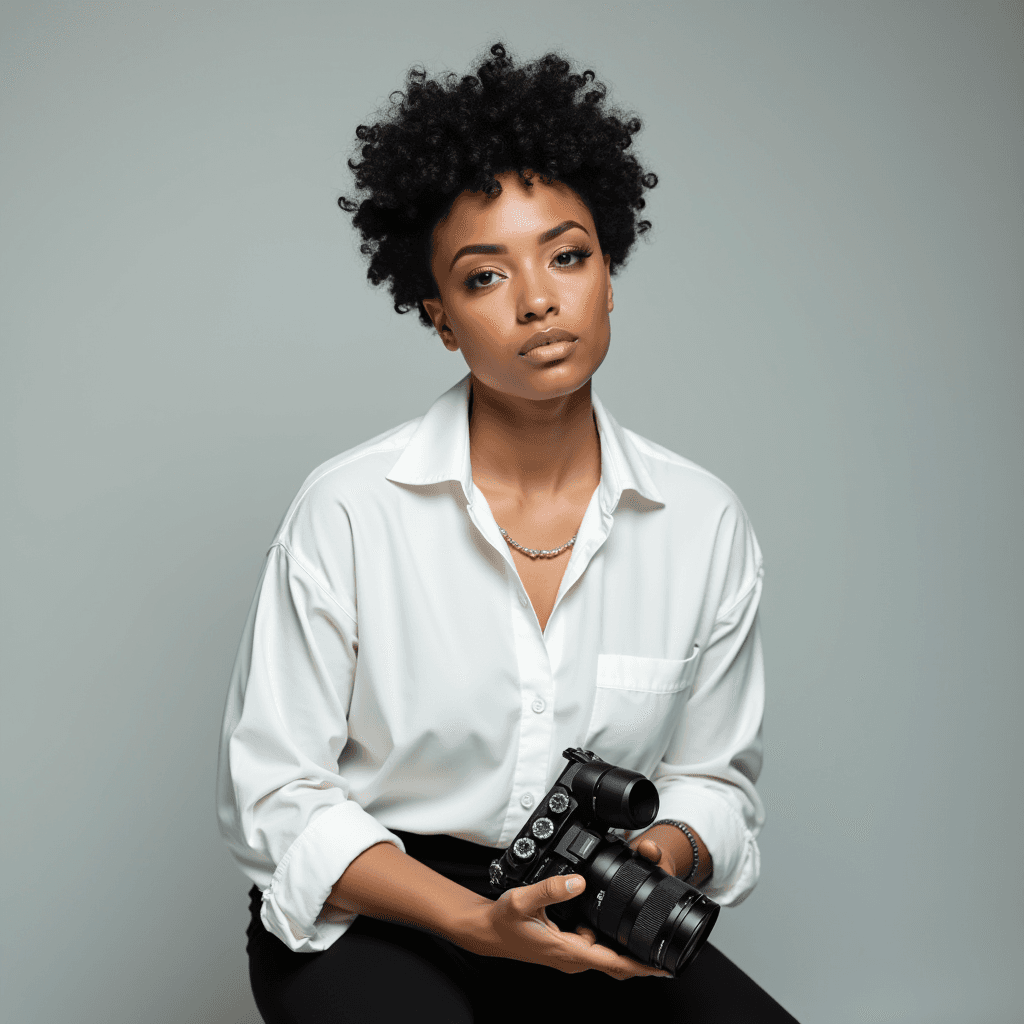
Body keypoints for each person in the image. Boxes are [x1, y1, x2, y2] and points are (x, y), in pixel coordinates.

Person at [217, 43, 797, 1023]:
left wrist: (661, 853)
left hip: (582, 900)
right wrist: (475, 921)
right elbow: (278, 799)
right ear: (439, 316)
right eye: (485, 277)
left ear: (609, 270)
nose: (537, 299)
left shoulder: (700, 522)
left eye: (568, 256)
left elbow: (713, 782)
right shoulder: (351, 507)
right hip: (381, 904)